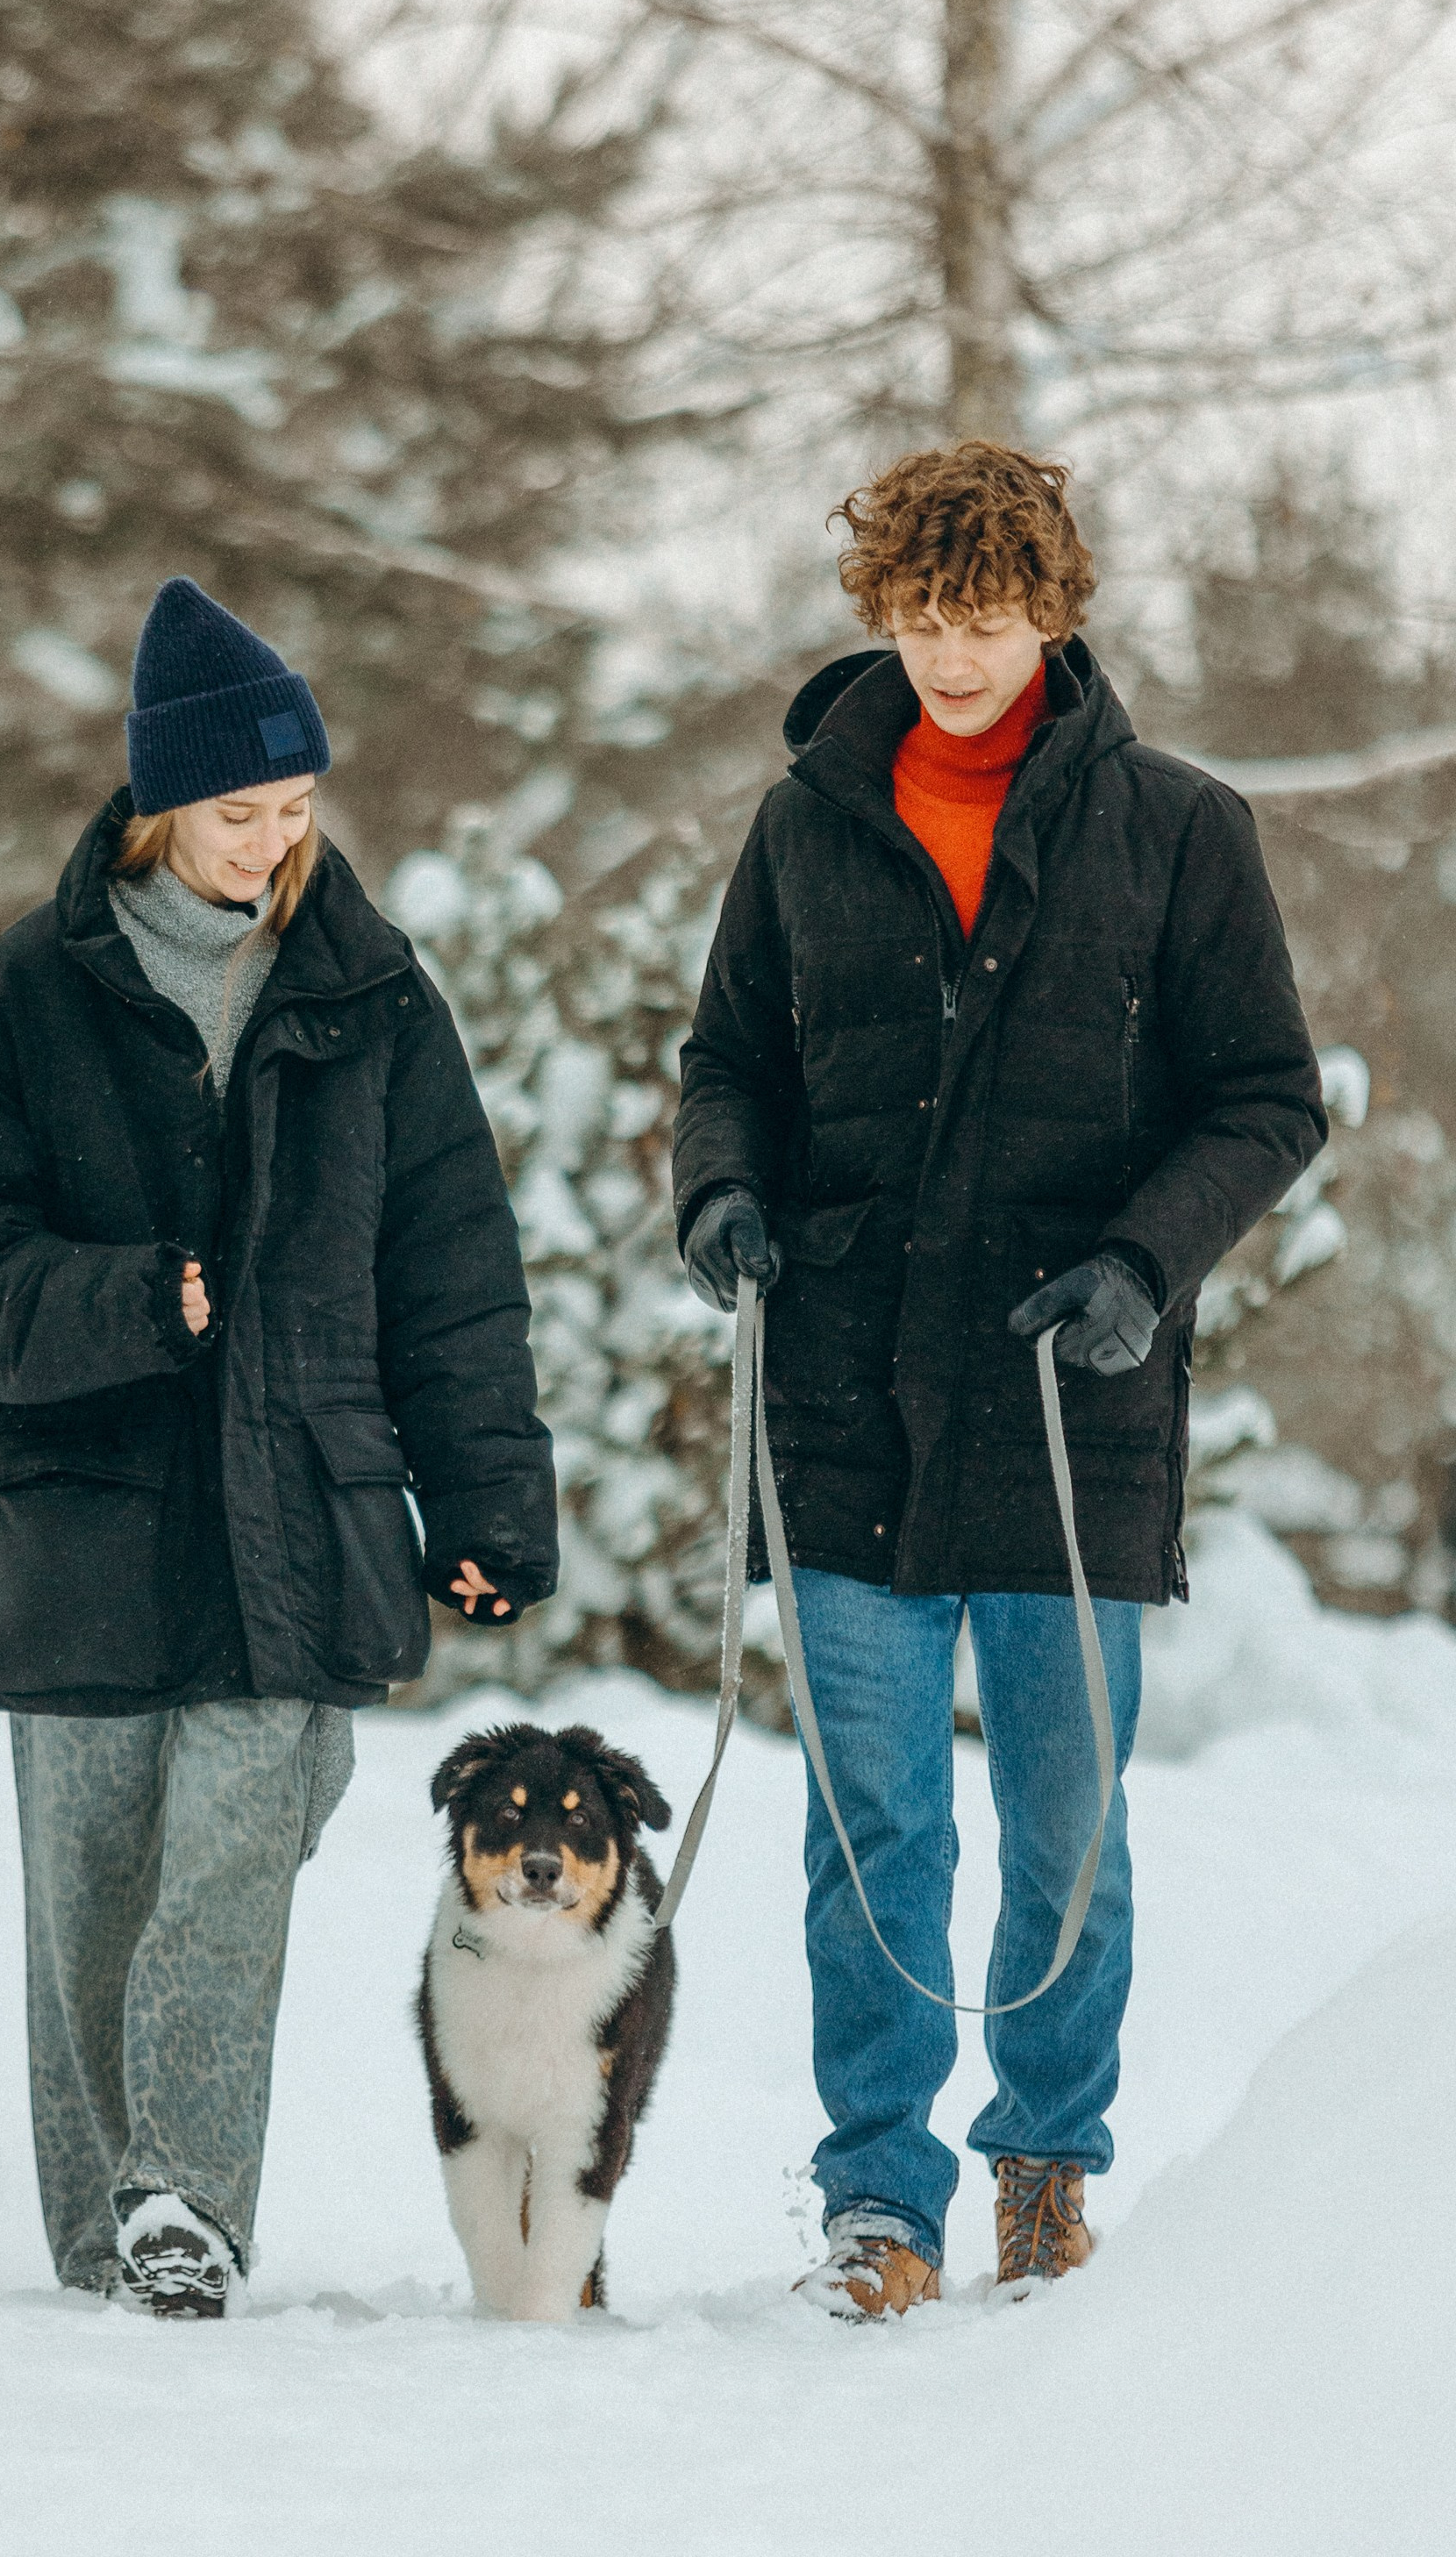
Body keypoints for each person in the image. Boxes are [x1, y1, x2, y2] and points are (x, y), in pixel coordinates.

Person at [672, 444, 1324, 2316]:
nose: (951, 658)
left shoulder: (1179, 829)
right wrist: (719, 1191)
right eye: (919, 620)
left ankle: (1045, 2165)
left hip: (1069, 1396)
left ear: (1053, 610)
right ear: (876, 613)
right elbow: (727, 1060)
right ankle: (878, 2198)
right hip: (845, 1392)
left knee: (1066, 1825)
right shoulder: (807, 819)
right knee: (867, 1825)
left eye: (986, 619)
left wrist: (1142, 1264)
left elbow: (1264, 1097)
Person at [0, 578, 557, 2318]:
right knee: (91, 1896)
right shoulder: (19, 1002)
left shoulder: (373, 997)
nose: (273, 842)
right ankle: (107, 2239)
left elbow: (456, 1282)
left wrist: (482, 1505)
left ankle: (183, 2202)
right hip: (76, 1517)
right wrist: (131, 1304)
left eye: (297, 806)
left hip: (301, 1513)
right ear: (160, 804)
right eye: (242, 809)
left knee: (236, 1855)